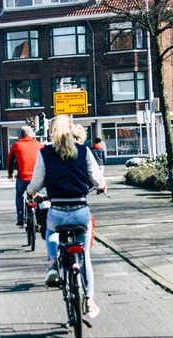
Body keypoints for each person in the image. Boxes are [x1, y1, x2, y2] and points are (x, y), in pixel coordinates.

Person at [26, 115, 106, 318]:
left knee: (51, 230)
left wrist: (29, 192)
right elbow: (96, 177)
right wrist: (102, 187)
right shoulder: (84, 151)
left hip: (57, 211)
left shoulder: (44, 153)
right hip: (80, 211)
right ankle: (89, 299)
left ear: (52, 131)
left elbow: (36, 183)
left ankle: (53, 263)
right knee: (85, 255)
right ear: (71, 130)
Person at [7, 126, 44, 226]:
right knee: (40, 197)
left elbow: (10, 160)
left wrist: (10, 173)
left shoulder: (16, 145)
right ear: (32, 135)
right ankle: (41, 221)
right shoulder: (40, 145)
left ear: (20, 135)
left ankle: (20, 219)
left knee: (19, 195)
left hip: (23, 178)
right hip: (37, 178)